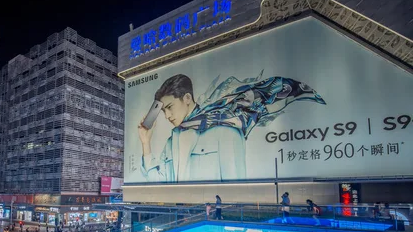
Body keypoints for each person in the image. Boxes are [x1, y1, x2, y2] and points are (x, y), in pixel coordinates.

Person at [137, 73, 325, 183]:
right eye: (163, 112)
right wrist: (146, 143)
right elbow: (159, 183)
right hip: (183, 222)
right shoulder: (172, 141)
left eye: (169, 108)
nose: (167, 116)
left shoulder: (225, 130)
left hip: (211, 224)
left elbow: (235, 188)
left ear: (187, 98)